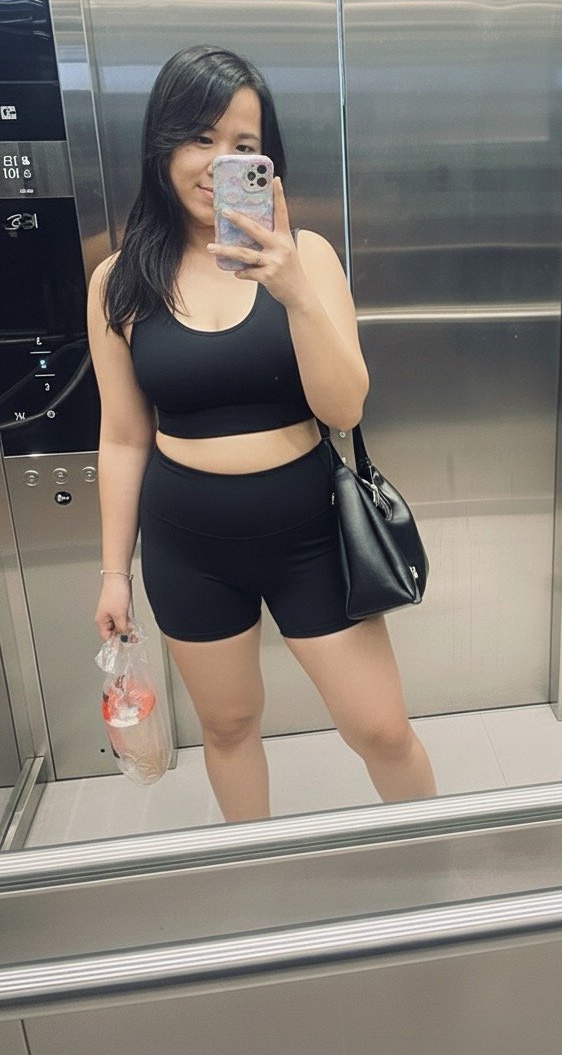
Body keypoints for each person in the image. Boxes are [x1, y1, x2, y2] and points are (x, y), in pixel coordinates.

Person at [88, 46, 436, 822]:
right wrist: (114, 573)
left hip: (309, 531)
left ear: (265, 161)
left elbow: (344, 409)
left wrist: (294, 292)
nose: (219, 161)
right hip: (187, 544)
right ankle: (259, 872)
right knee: (228, 726)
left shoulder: (306, 256)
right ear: (162, 145)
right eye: (201, 138)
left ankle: (432, 860)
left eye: (243, 145)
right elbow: (123, 437)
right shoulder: (120, 281)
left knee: (381, 729)